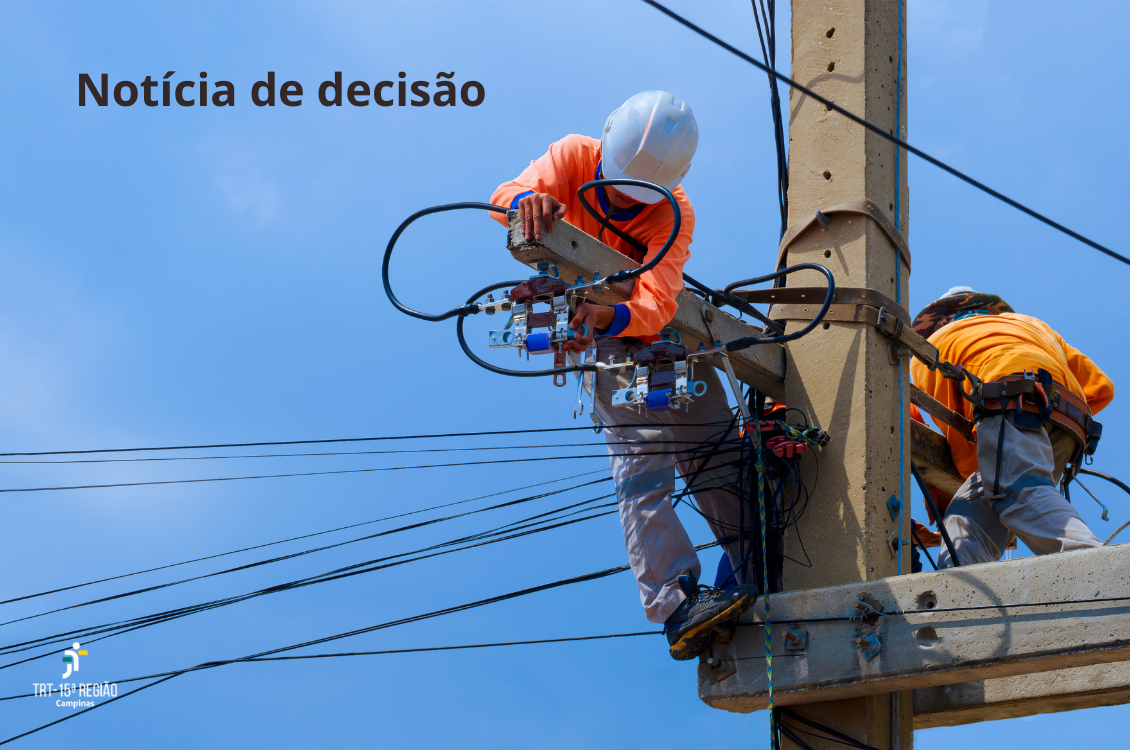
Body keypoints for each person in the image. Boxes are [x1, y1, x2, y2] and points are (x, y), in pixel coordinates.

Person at [490, 91, 758, 660]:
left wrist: (610, 312)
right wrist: (528, 203)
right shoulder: (571, 155)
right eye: (614, 189)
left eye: (634, 199)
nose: (622, 203)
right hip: (608, 343)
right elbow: (503, 199)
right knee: (644, 463)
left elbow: (659, 298)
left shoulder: (672, 209)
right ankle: (675, 602)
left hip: (653, 336)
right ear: (604, 143)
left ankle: (761, 565)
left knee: (720, 457)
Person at [909, 287, 1114, 567]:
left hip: (1008, 404)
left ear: (941, 321)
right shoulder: (1034, 326)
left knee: (1016, 490)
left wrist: (939, 493)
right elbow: (1102, 388)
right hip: (1072, 425)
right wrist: (1054, 411)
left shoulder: (932, 347)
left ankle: (1106, 572)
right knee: (966, 513)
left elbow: (904, 412)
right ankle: (954, 598)